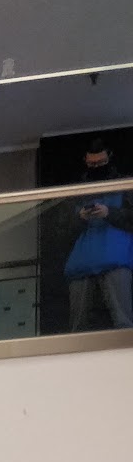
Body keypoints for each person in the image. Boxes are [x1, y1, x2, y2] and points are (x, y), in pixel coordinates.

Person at [67, 139, 133, 333]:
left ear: (110, 158)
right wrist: (80, 217)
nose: (96, 168)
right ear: (85, 161)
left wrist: (109, 213)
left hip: (115, 258)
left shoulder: (124, 184)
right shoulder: (77, 189)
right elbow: (60, 229)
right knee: (79, 325)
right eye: (92, 164)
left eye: (101, 163)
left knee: (123, 321)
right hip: (85, 261)